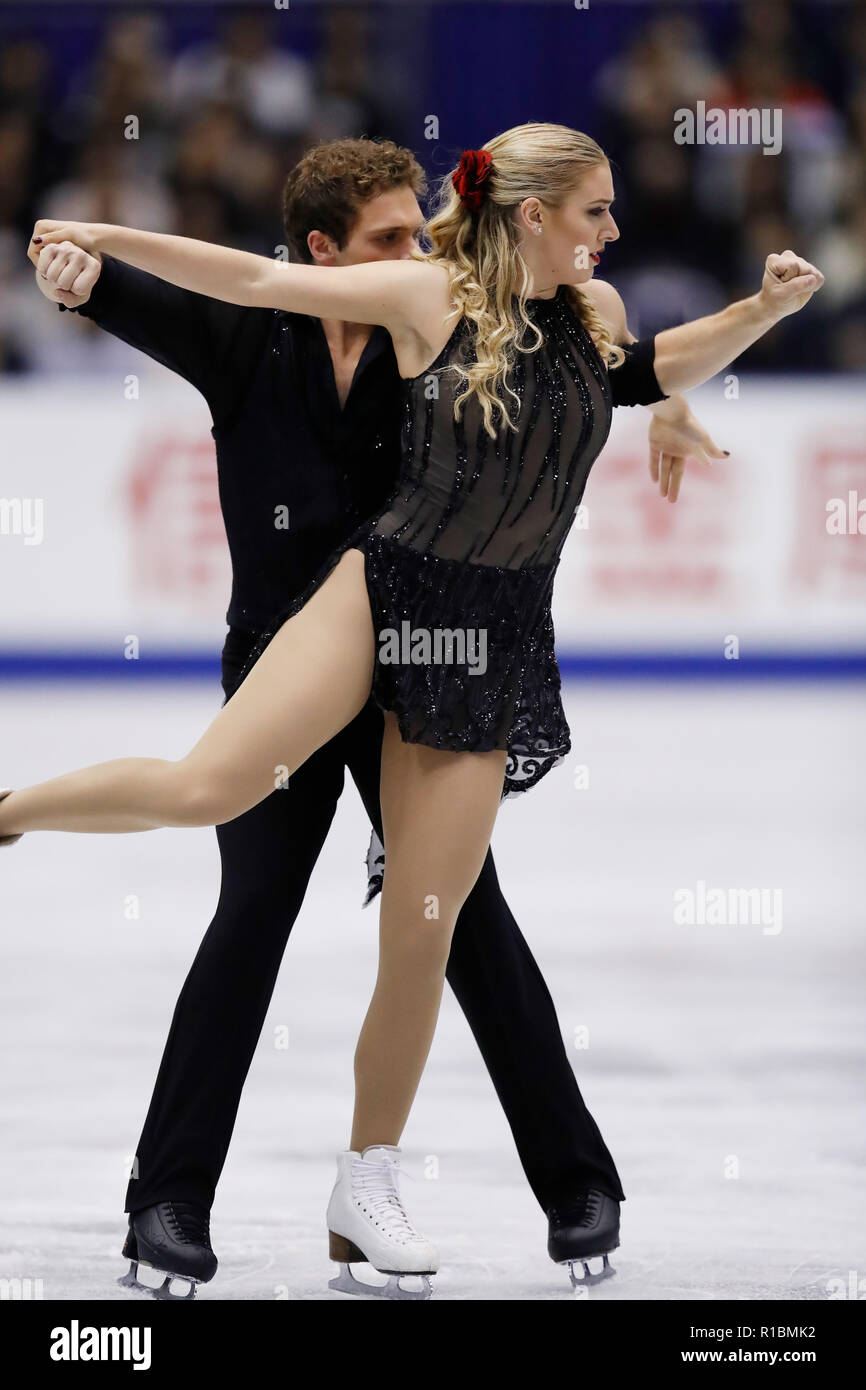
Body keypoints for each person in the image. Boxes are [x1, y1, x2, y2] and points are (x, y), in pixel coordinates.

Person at [4, 121, 822, 1299]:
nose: (612, 230)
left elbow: (642, 371)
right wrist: (93, 239)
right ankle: (14, 817)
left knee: (433, 927)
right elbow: (242, 277)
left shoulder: (584, 314)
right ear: (534, 213)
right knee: (212, 806)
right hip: (354, 606)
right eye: (592, 211)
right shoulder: (412, 296)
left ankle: (374, 1181)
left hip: (482, 640)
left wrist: (756, 317)